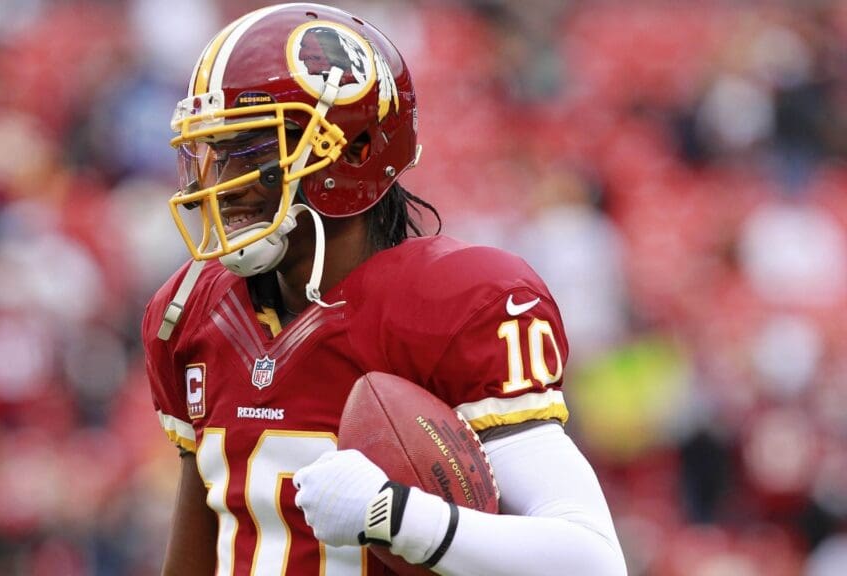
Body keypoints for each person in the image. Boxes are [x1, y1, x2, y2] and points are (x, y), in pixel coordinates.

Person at [142, 3, 626, 575]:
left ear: (355, 149)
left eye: (252, 151)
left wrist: (395, 516)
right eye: (215, 154)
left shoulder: (456, 304)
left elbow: (590, 560)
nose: (223, 184)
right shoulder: (192, 310)